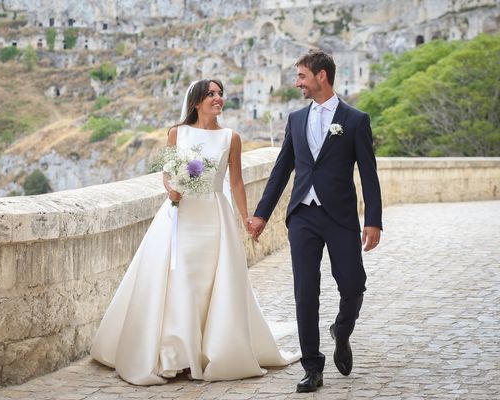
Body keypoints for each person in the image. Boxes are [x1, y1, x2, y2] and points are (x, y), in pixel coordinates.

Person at [91, 79, 299, 385]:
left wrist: (246, 218)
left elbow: (237, 183)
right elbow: (167, 174)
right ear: (197, 102)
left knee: (209, 283)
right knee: (179, 280)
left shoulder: (232, 138)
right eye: (211, 94)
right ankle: (177, 356)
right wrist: (171, 189)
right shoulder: (177, 133)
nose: (218, 98)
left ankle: (207, 352)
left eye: (219, 94)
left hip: (214, 217)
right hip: (181, 217)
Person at [246, 51, 383, 393]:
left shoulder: (354, 120)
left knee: (352, 285)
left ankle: (342, 329)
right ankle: (312, 366)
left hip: (340, 217)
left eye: (302, 76)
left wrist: (374, 221)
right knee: (305, 292)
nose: (297, 83)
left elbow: (369, 173)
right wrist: (262, 214)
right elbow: (281, 169)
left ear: (322, 76)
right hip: (303, 216)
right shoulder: (295, 120)